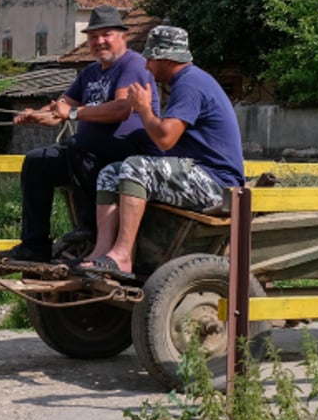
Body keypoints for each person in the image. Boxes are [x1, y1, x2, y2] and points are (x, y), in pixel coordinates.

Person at [1, 5, 160, 263]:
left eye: (106, 35)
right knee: (36, 161)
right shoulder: (90, 72)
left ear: (123, 36)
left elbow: (121, 109)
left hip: (130, 152)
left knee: (79, 144)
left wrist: (72, 114)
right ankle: (34, 244)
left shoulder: (134, 65)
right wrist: (36, 115)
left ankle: (89, 228)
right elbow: (60, 108)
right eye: (93, 37)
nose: (99, 42)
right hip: (88, 153)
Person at [82, 25, 244, 275]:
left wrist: (144, 109)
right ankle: (102, 252)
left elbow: (165, 139)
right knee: (111, 173)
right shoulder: (184, 82)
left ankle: (123, 255)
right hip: (194, 175)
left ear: (166, 58)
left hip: (217, 184)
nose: (146, 66)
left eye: (150, 59)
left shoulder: (191, 84)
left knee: (136, 167)